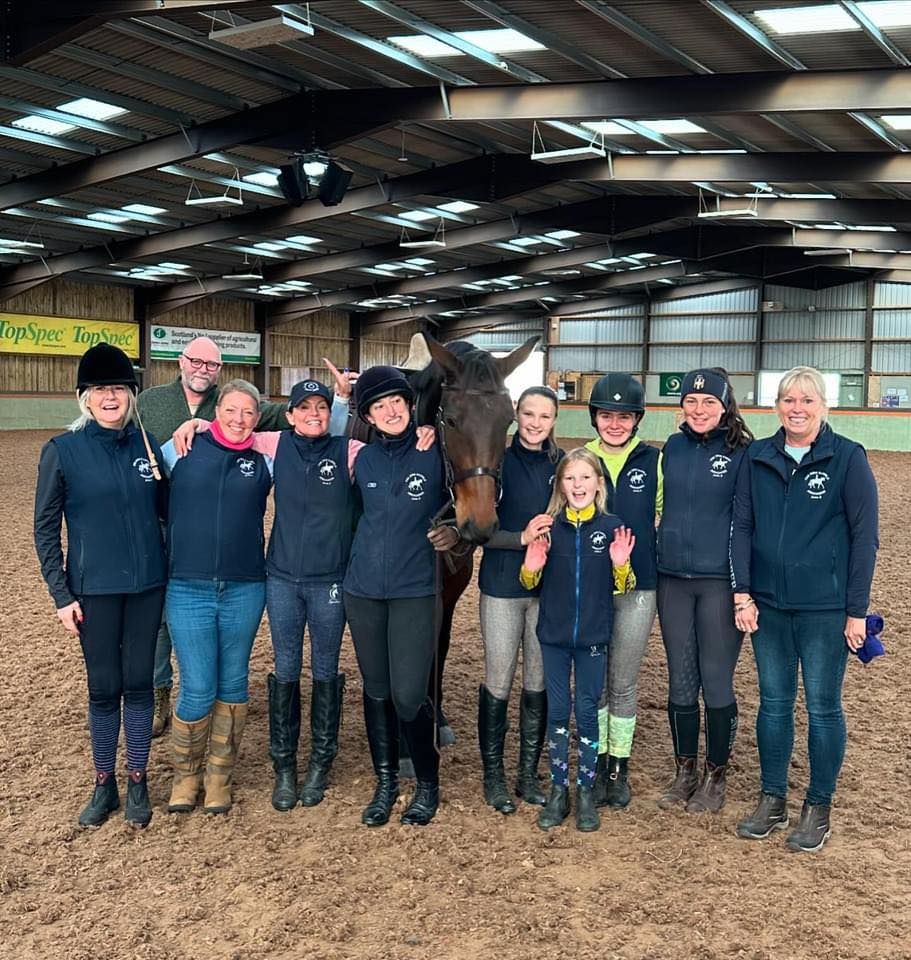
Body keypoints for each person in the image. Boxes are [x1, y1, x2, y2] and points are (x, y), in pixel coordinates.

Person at [731, 366, 878, 852]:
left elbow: (865, 540)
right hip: (768, 608)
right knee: (773, 704)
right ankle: (772, 799)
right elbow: (742, 528)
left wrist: (856, 611)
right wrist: (743, 593)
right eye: (789, 399)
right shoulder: (757, 456)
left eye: (807, 400)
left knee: (822, 707)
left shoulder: (848, 459)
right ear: (777, 406)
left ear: (823, 406)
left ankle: (818, 805)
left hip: (825, 610)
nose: (797, 408)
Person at [136, 336, 309, 739]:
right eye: (196, 361)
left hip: (209, 536)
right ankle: (161, 690)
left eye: (211, 364)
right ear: (181, 362)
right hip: (161, 522)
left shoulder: (231, 404)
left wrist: (338, 402)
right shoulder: (150, 402)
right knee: (158, 623)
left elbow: (287, 416)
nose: (202, 369)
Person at [34, 343, 167, 829]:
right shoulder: (63, 452)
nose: (110, 397)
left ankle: (137, 777)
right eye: (99, 389)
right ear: (85, 398)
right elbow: (45, 528)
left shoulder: (148, 445)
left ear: (131, 396)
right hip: (93, 590)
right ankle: (103, 782)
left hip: (148, 586)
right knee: (103, 687)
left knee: (139, 683)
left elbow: (170, 511)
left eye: (118, 389)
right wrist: (61, 595)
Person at [344, 366, 458, 827]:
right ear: (368, 416)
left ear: (410, 406)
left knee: (409, 693)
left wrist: (455, 533)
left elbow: (467, 507)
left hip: (415, 590)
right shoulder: (362, 460)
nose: (390, 411)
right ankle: (386, 781)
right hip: (363, 591)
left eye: (397, 402)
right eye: (379, 405)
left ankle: (428, 783)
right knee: (376, 692)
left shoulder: (437, 453)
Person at [161, 379, 273, 816]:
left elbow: (315, 437)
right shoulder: (180, 450)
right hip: (187, 586)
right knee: (197, 685)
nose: (239, 419)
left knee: (233, 682)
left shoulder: (266, 458)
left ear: (258, 416)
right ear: (216, 410)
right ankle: (185, 774)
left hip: (245, 586)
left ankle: (219, 775)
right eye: (231, 410)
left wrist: (340, 401)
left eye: (248, 412)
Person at [519, 447, 636, 832]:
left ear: (598, 484)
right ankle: (558, 789)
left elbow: (624, 588)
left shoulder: (612, 527)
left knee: (587, 712)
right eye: (570, 478)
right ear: (561, 485)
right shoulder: (548, 526)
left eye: (585, 477)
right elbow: (530, 582)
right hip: (553, 637)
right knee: (557, 712)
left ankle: (586, 790)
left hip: (593, 638)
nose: (578, 484)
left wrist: (620, 565)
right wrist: (530, 567)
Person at [655, 369, 753, 813]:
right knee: (679, 681)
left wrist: (742, 587)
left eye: (708, 403)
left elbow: (747, 524)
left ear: (724, 406)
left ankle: (716, 775)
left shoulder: (742, 453)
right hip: (672, 580)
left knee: (715, 681)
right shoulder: (671, 448)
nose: (698, 410)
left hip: (717, 583)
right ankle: (684, 770)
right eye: (691, 403)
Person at [476, 386, 563, 815]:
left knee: (538, 682)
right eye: (528, 413)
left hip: (547, 593)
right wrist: (520, 539)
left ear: (554, 421)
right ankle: (493, 776)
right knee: (499, 679)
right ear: (516, 416)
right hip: (501, 588)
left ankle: (528, 773)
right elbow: (480, 529)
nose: (534, 423)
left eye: (543, 416)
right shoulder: (496, 463)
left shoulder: (564, 466)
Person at [585, 374, 662, 808]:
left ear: (637, 420)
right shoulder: (580, 459)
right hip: (590, 586)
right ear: (596, 417)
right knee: (593, 680)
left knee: (624, 680)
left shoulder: (655, 461)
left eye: (625, 416)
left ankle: (619, 766)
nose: (615, 424)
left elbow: (668, 513)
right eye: (607, 415)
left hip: (638, 585)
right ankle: (596, 761)